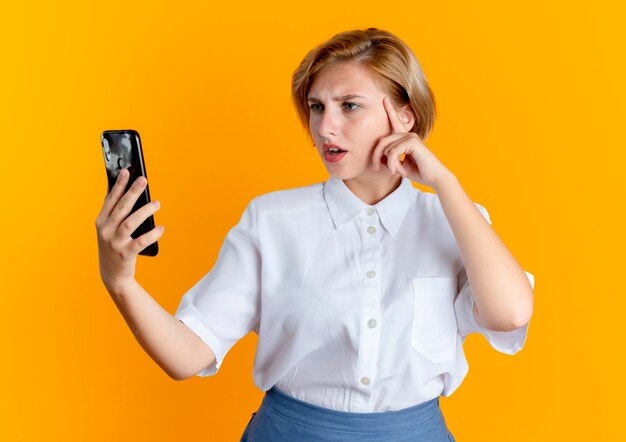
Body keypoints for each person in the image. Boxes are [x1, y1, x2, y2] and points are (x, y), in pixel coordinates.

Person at [95, 28, 535, 442]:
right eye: (316, 106)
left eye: (350, 105)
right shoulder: (271, 220)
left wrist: (444, 183)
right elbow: (188, 355)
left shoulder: (453, 219)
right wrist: (121, 282)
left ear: (405, 117)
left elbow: (510, 313)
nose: (325, 127)